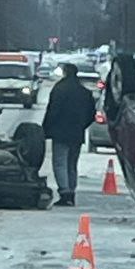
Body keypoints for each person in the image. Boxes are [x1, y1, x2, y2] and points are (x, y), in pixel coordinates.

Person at [42, 62, 97, 207]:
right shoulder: (84, 92)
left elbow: (52, 111)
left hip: (60, 132)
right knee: (72, 164)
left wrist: (45, 129)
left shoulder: (60, 89)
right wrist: (81, 125)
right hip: (77, 133)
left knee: (60, 162)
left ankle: (65, 193)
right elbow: (92, 114)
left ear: (65, 72)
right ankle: (71, 192)